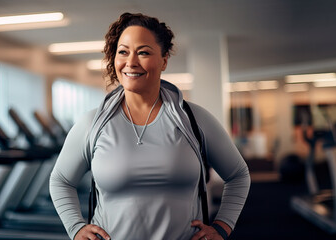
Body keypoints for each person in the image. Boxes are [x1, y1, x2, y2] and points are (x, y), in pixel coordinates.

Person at [50, 12, 251, 240]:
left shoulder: (194, 119)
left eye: (143, 52)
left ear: (164, 59)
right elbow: (61, 181)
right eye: (123, 52)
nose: (131, 62)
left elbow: (238, 175)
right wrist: (75, 227)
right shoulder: (92, 124)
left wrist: (223, 227)